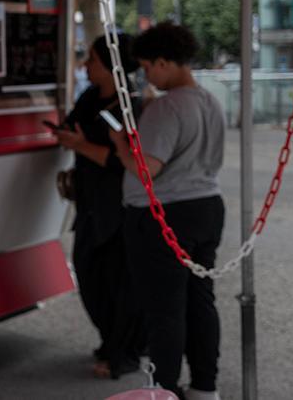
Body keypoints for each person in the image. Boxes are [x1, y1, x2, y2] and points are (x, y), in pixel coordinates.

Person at [110, 22, 225, 400]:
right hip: (206, 204)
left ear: (163, 62)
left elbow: (148, 169)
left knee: (164, 309)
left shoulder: (167, 106)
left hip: (164, 214)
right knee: (200, 299)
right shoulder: (210, 100)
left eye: (147, 66)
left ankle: (164, 389)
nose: (147, 75)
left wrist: (121, 145)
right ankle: (205, 385)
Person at [54, 34, 143, 380]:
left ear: (110, 65)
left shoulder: (131, 103)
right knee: (89, 274)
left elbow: (124, 161)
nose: (85, 66)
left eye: (91, 59)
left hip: (120, 205)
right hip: (90, 202)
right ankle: (111, 341)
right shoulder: (91, 96)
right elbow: (71, 125)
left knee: (120, 284)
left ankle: (124, 353)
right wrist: (66, 136)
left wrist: (80, 144)